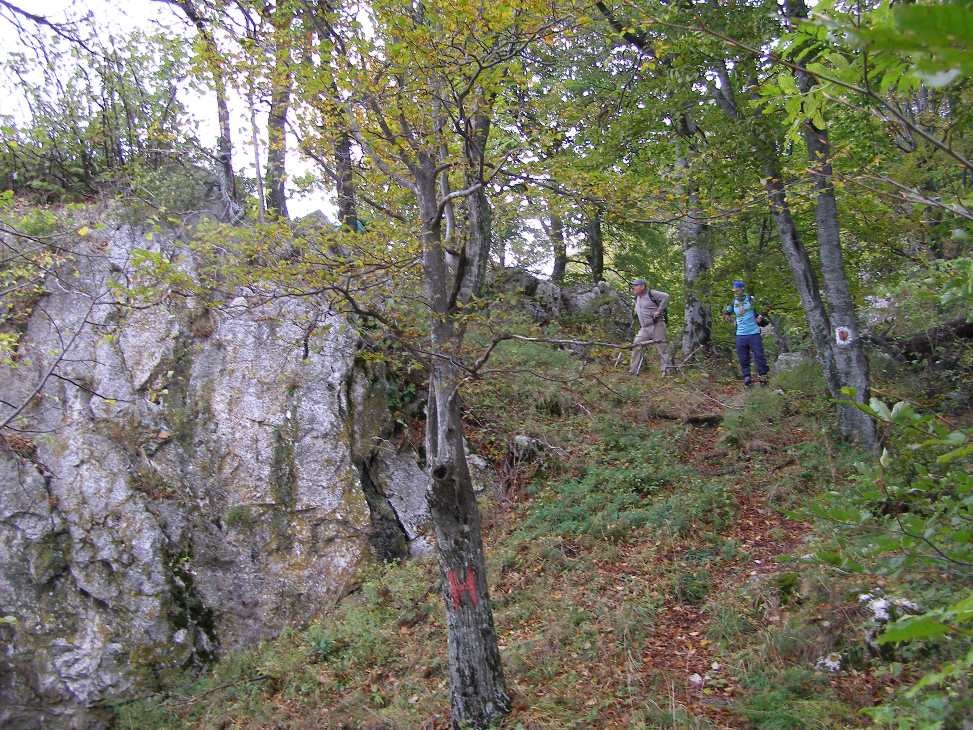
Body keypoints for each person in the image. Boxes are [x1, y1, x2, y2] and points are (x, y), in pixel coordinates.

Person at [722, 280, 769, 386]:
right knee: (743, 357)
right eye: (734, 290)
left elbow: (763, 308)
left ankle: (763, 376)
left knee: (759, 355)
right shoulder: (733, 302)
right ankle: (747, 377)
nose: (735, 291)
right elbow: (726, 314)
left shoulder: (751, 299)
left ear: (742, 289)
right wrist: (731, 320)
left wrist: (760, 316)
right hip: (740, 334)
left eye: (737, 289)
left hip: (754, 333)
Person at [629, 279, 674, 376]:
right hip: (644, 328)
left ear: (642, 286)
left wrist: (659, 310)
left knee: (662, 349)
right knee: (636, 344)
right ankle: (633, 371)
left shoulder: (651, 293)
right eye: (633, 285)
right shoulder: (637, 297)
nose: (634, 287)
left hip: (657, 325)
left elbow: (666, 296)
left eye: (636, 285)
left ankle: (666, 372)